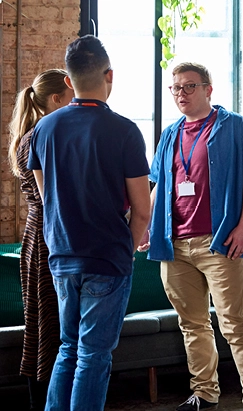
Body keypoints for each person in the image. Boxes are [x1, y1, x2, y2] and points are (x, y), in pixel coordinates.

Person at [27, 35, 151, 411]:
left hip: (62, 255)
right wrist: (126, 249)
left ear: (68, 80)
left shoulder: (43, 130)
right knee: (94, 355)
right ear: (109, 74)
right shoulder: (126, 131)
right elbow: (143, 210)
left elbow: (49, 199)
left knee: (69, 347)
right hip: (107, 256)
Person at [142, 62, 243, 411]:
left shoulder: (237, 127)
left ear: (208, 89)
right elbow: (158, 185)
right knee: (192, 324)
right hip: (174, 245)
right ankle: (204, 392)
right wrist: (146, 226)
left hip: (219, 242)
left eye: (189, 87)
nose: (181, 94)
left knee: (235, 322)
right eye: (175, 88)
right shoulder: (170, 134)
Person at [8, 69, 74, 410]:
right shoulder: (42, 136)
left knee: (42, 323)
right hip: (50, 235)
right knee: (51, 324)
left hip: (38, 234)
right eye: (71, 96)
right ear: (56, 99)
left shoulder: (29, 136)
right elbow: (55, 198)